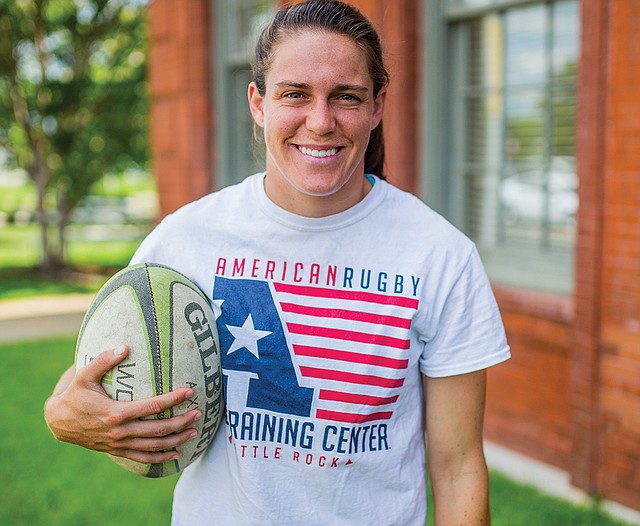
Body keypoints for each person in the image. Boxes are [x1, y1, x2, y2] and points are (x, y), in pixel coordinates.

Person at [44, 1, 510, 524]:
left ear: (378, 106)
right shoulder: (188, 238)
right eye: (295, 94)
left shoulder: (440, 256)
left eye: (346, 97)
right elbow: (89, 381)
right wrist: (63, 415)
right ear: (258, 103)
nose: (320, 121)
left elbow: (459, 468)